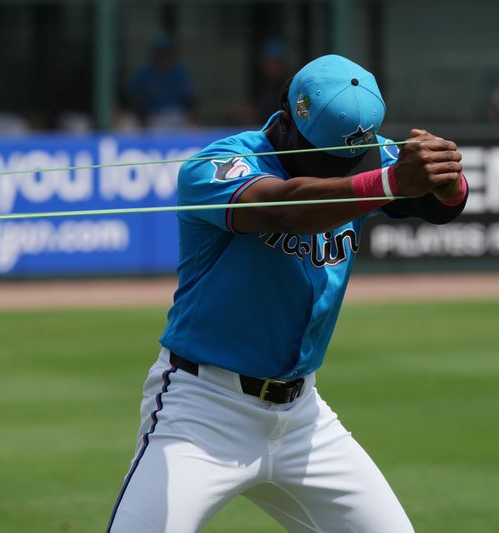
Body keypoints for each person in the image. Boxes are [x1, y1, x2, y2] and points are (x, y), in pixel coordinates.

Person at [107, 55, 468, 532]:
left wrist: (447, 180)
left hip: (302, 420)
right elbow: (285, 210)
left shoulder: (367, 151)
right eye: (325, 159)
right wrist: (389, 181)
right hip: (201, 410)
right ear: (288, 117)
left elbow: (439, 205)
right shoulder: (216, 165)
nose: (338, 169)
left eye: (349, 161)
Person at [126, 35, 195, 131]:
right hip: (152, 116)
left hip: (176, 116)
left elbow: (189, 99)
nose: (162, 57)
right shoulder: (144, 74)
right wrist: (142, 114)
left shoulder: (179, 73)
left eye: (166, 54)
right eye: (159, 53)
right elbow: (131, 98)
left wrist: (191, 118)